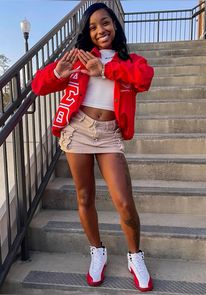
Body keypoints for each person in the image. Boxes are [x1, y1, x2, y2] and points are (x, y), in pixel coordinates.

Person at [32, 2, 154, 292]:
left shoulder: (130, 61)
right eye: (93, 26)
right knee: (84, 196)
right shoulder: (79, 58)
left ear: (115, 25)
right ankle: (97, 251)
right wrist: (57, 74)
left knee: (124, 202)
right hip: (78, 131)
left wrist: (107, 69)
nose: (100, 30)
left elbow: (144, 79)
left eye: (105, 22)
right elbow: (38, 86)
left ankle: (135, 255)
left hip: (110, 134)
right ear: (88, 33)